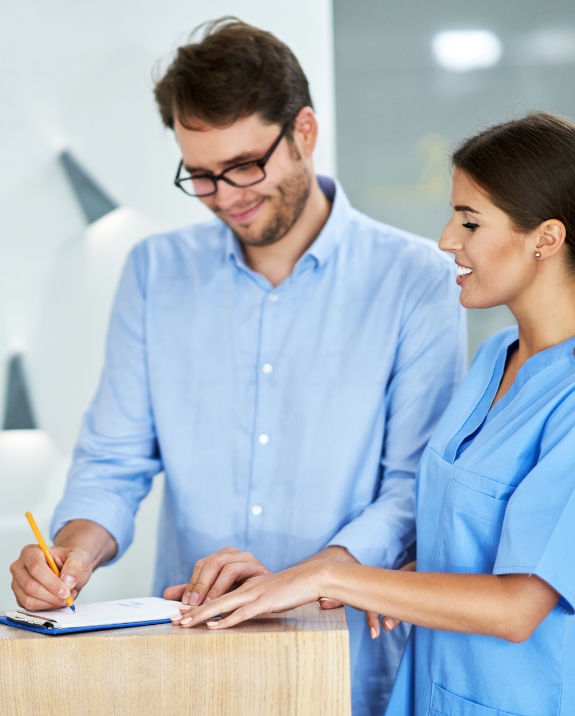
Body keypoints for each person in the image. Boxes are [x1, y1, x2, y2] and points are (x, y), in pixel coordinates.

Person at [9, 19, 465, 715]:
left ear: (304, 132)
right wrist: (72, 551)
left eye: (245, 165)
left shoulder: (416, 281)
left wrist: (300, 580)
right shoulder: (154, 272)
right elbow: (114, 460)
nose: (226, 195)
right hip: (185, 663)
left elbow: (412, 490)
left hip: (347, 661)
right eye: (200, 174)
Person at [173, 111, 575, 715]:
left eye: (470, 221)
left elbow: (520, 607)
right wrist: (331, 584)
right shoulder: (495, 357)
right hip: (429, 691)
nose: (446, 239)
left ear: (545, 238)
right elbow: (465, 538)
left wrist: (326, 576)